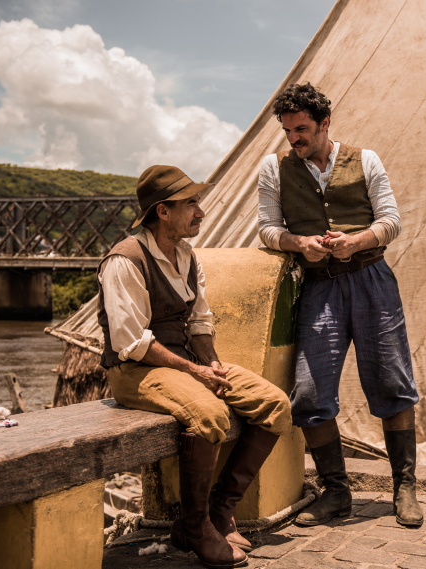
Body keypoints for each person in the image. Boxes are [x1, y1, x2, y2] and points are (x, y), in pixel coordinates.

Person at [98, 165, 293, 568]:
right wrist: (194, 373)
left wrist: (213, 365)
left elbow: (199, 321)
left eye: (197, 202)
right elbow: (131, 343)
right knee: (210, 414)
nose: (200, 211)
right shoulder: (125, 260)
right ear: (162, 212)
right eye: (191, 204)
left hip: (184, 364)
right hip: (135, 372)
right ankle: (195, 524)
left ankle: (221, 510)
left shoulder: (187, 255)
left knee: (274, 405)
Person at [256, 83, 422, 527]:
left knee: (392, 383)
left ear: (325, 123)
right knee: (309, 394)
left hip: (372, 281)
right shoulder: (273, 169)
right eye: (289, 131)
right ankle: (336, 493)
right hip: (317, 287)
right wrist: (298, 243)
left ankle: (404, 487)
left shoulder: (366, 160)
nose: (295, 139)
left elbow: (391, 221)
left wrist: (357, 241)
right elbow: (268, 229)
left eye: (303, 129)